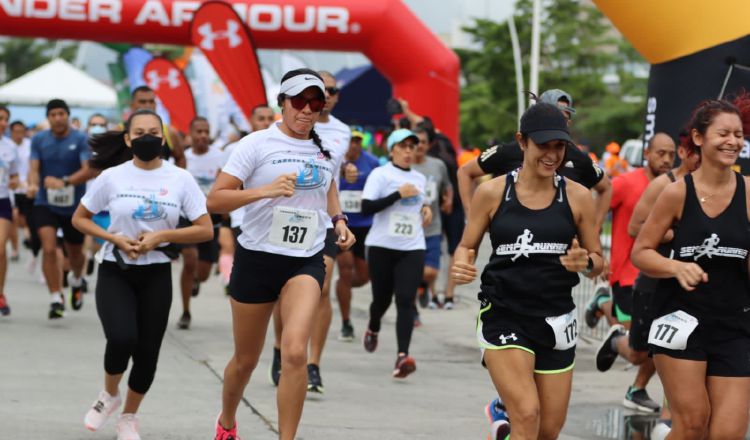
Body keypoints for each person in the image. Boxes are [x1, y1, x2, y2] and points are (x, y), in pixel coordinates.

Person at [207, 69, 354, 440]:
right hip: (257, 257)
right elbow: (216, 199)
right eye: (299, 102)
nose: (307, 110)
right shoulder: (255, 144)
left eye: (315, 103)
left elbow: (329, 186)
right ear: (283, 103)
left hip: (305, 258)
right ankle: (226, 422)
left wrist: (338, 220)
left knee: (293, 353)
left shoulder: (326, 148)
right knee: (245, 362)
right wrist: (264, 191)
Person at [452, 103, 603, 440]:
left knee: (548, 430)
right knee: (525, 414)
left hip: (556, 319)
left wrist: (586, 263)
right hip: (505, 313)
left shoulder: (578, 197)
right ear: (522, 142)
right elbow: (467, 245)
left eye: (559, 147)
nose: (552, 155)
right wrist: (462, 262)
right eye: (543, 146)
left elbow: (597, 260)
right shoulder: (492, 192)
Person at [74, 109, 212, 440]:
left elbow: (205, 229)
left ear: (163, 138)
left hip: (156, 273)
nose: (146, 137)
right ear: (127, 139)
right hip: (116, 269)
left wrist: (162, 236)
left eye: (153, 131)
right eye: (139, 132)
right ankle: (109, 395)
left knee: (148, 352)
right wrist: (113, 238)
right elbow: (80, 218)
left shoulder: (180, 178)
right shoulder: (112, 177)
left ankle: (129, 418)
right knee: (121, 338)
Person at [632, 99, 750, 440]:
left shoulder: (747, 193)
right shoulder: (676, 192)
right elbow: (642, 252)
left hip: (734, 323)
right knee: (692, 424)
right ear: (698, 138)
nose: (733, 141)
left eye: (739, 134)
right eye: (724, 133)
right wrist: (675, 267)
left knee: (729, 433)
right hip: (680, 319)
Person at [267, 70, 357, 394]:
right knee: (283, 295)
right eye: (305, 95)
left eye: (326, 92)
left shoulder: (342, 132)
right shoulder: (276, 133)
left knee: (321, 289)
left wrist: (340, 217)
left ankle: (313, 363)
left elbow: (335, 178)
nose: (317, 100)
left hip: (322, 223)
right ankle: (282, 348)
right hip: (283, 221)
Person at [590, 133, 676, 414]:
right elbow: (597, 212)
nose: (665, 159)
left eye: (670, 154)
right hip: (627, 274)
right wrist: (596, 253)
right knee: (639, 351)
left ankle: (637, 389)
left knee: (661, 342)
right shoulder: (627, 182)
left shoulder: (676, 187)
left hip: (662, 276)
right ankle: (609, 319)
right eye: (660, 153)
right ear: (647, 153)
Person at [456, 89, 611, 230]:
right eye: (542, 146)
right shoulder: (511, 151)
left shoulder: (578, 157)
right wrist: (472, 216)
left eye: (563, 119)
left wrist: (594, 227)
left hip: (565, 251)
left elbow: (606, 187)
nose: (551, 155)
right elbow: (465, 171)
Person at [360, 128, 432, 378]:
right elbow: (366, 206)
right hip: (381, 246)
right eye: (403, 147)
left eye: (412, 147)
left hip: (412, 246)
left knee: (405, 299)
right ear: (391, 150)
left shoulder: (420, 178)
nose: (408, 152)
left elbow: (420, 202)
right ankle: (374, 325)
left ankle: (403, 356)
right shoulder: (380, 174)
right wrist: (396, 195)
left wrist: (425, 209)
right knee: (382, 300)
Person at [28, 99, 91, 319]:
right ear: (48, 117)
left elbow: (88, 170)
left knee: (75, 253)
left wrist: (64, 182)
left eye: (61, 114)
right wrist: (34, 184)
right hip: (45, 202)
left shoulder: (81, 139)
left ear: (67, 115)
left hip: (74, 206)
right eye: (53, 114)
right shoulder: (38, 139)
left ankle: (75, 278)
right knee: (48, 247)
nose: (57, 118)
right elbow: (34, 168)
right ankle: (55, 297)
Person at [217, 105, 275, 292]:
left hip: (277, 216)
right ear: (251, 121)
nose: (266, 122)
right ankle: (235, 285)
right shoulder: (235, 148)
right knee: (251, 271)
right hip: (243, 215)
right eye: (261, 118)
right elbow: (221, 180)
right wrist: (225, 207)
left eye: (269, 118)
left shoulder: (283, 147)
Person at [177, 117, 225, 330]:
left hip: (210, 217)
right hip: (186, 216)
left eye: (206, 131)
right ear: (190, 133)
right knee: (189, 259)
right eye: (198, 131)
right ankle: (186, 311)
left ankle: (196, 279)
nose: (203, 136)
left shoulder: (220, 157)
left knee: (204, 272)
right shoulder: (183, 159)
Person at [335, 130, 380, 340]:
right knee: (345, 271)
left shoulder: (372, 163)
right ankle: (346, 323)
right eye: (351, 141)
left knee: (363, 277)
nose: (354, 145)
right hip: (342, 224)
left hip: (365, 226)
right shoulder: (335, 161)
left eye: (358, 141)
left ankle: (338, 288)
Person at [411, 126, 453, 309]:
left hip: (433, 226)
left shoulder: (438, 165)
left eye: (423, 142)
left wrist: (449, 200)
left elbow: (447, 186)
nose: (419, 145)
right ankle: (411, 311)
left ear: (429, 145)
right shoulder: (405, 164)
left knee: (431, 272)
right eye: (416, 142)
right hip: (408, 229)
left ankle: (422, 284)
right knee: (410, 270)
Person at [129, 85, 185, 168]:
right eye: (142, 102)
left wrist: (174, 179)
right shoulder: (119, 131)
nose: (148, 105)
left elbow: (180, 159)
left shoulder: (170, 133)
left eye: (151, 101)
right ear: (132, 105)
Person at [0, 106, 19, 316]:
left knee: (0, 248)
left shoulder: (10, 147)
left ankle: (0, 293)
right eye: (0, 118)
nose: (4, 122)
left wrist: (14, 183)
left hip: (2, 201)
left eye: (6, 119)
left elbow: (14, 176)